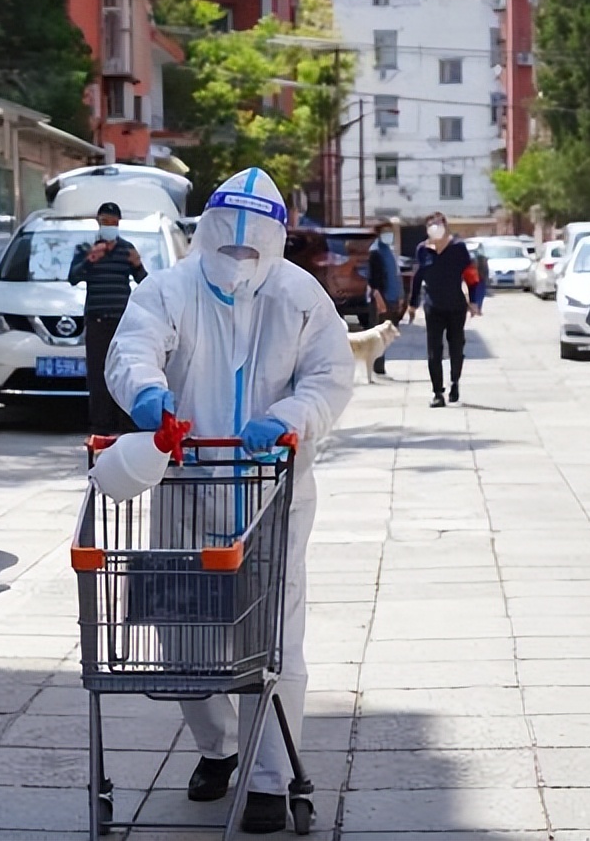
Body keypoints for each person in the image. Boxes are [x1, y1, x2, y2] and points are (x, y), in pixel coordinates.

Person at [106, 167, 353, 833]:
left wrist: (291, 417)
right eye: (226, 245)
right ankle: (218, 747)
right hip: (185, 487)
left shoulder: (300, 297)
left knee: (274, 640)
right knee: (182, 637)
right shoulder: (169, 289)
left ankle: (268, 781)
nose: (238, 259)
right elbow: (133, 348)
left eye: (251, 248)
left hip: (273, 492)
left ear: (274, 243)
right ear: (206, 233)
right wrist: (147, 394)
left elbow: (330, 377)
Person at [69, 202, 147, 434]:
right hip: (97, 321)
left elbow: (145, 283)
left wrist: (137, 265)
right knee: (98, 374)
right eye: (105, 222)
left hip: (122, 322)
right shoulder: (86, 248)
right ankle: (100, 426)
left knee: (124, 370)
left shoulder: (127, 249)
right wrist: (90, 260)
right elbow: (73, 277)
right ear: (98, 222)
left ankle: (126, 425)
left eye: (113, 222)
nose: (109, 226)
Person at [410, 211, 484, 408]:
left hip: (455, 306)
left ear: (445, 226)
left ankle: (454, 382)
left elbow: (471, 276)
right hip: (433, 306)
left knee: (456, 347)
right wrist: (412, 303)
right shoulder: (422, 250)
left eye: (438, 223)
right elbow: (418, 277)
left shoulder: (458, 248)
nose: (434, 227)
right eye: (430, 224)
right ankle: (437, 393)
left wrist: (474, 301)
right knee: (434, 350)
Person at [360, 221, 404, 375]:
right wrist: (379, 301)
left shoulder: (388, 251)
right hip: (381, 299)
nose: (389, 235)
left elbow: (395, 275)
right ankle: (376, 367)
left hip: (391, 297)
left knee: (385, 336)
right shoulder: (376, 252)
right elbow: (373, 281)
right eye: (385, 232)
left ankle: (379, 366)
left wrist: (400, 296)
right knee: (378, 335)